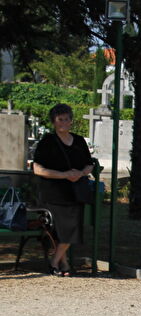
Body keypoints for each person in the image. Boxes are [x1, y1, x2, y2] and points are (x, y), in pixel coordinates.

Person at [32, 103, 95, 277]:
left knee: (73, 228)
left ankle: (56, 262)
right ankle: (62, 263)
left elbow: (89, 164)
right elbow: (38, 168)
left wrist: (81, 173)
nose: (64, 123)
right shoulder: (47, 142)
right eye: (60, 119)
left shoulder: (80, 141)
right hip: (52, 193)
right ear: (54, 121)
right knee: (60, 231)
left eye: (67, 119)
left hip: (74, 192)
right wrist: (64, 174)